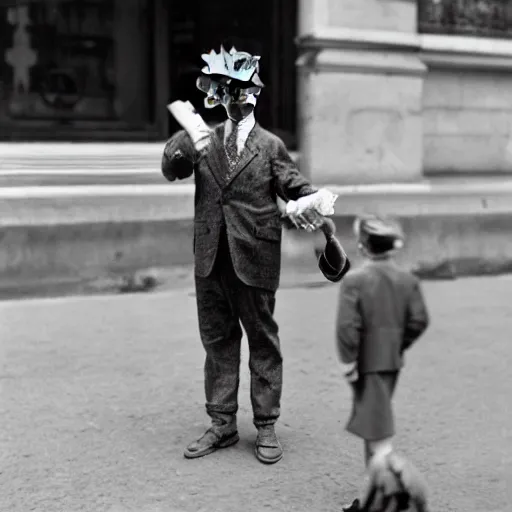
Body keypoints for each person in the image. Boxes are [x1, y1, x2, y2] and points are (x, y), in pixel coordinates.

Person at [161, 44, 342, 464]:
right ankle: (222, 423)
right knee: (217, 341)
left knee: (262, 341)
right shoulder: (201, 138)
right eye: (228, 90)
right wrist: (178, 150)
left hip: (254, 256)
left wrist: (315, 203)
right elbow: (172, 169)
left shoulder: (270, 145)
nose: (236, 98)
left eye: (242, 90)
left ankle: (266, 425)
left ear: (254, 92)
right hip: (210, 255)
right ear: (218, 94)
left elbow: (294, 185)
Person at [335, 215, 430, 509]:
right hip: (390, 361)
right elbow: (418, 320)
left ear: (364, 247)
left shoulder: (355, 280)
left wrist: (349, 361)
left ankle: (390, 492)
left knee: (376, 432)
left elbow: (346, 328)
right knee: (373, 425)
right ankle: (375, 492)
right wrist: (397, 344)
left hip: (367, 362)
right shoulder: (407, 280)